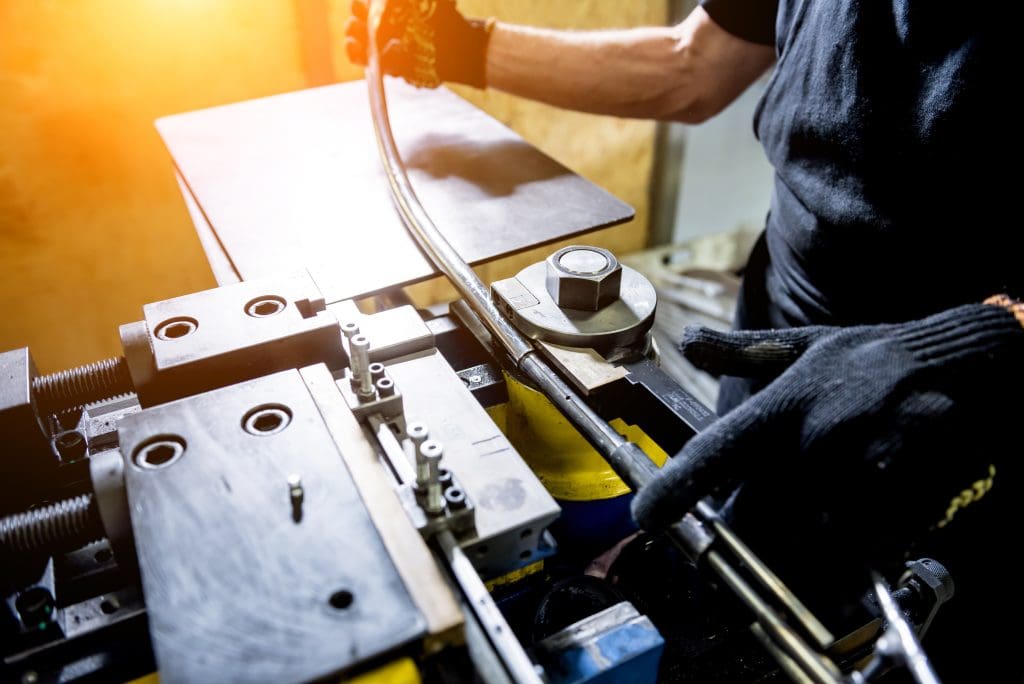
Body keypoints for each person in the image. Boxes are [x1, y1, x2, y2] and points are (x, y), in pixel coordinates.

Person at [346, 1, 1022, 678]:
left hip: (960, 394)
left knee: (899, 637)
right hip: (780, 324)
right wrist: (461, 47)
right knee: (728, 581)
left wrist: (985, 341)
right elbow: (692, 66)